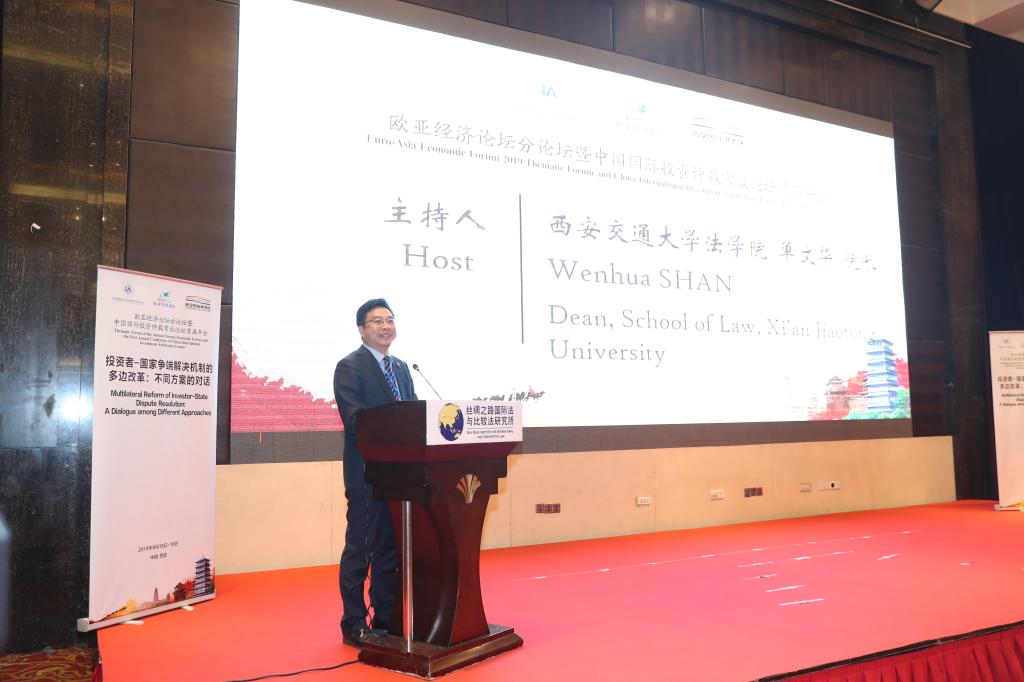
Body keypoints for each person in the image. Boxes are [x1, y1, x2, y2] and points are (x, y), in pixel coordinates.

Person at [333, 298, 417, 648]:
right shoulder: (349, 367)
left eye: (390, 320)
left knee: (389, 551)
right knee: (361, 549)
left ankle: (385, 619)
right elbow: (356, 421)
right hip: (366, 475)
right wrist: (397, 425)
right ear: (361, 329)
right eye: (377, 321)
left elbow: (414, 415)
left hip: (398, 477)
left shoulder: (401, 368)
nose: (386, 327)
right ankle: (353, 624)